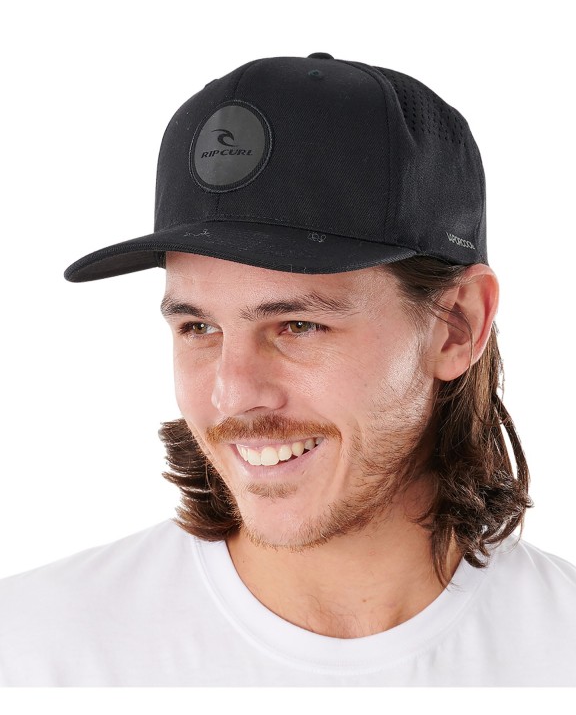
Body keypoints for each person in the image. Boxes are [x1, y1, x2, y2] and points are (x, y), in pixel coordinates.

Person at [0, 53, 574, 687]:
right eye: (198, 328)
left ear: (457, 324)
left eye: (298, 325)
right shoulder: (35, 655)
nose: (232, 393)